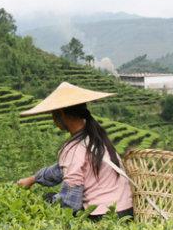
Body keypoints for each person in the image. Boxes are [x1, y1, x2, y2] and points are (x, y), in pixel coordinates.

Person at [16, 82, 133, 220]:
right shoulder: (96, 137)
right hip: (127, 211)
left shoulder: (74, 148)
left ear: (61, 113)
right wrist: (33, 179)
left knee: (49, 199)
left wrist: (50, 207)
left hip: (103, 216)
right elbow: (60, 170)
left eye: (53, 113)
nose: (53, 119)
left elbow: (71, 201)